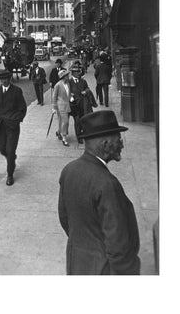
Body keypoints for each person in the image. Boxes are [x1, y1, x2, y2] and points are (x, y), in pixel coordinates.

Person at [58, 109, 140, 275]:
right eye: (118, 139)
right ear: (105, 144)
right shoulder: (107, 184)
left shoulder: (69, 170)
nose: (122, 144)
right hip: (103, 270)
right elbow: (118, 244)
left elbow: (65, 218)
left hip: (77, 264)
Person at [0, 68, 27, 186]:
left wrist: (16, 119)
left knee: (10, 150)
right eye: (2, 79)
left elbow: (22, 108)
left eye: (6, 79)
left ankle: (10, 174)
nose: (4, 81)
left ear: (9, 79)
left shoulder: (17, 91)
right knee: (2, 149)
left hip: (12, 127)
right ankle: (11, 157)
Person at [68, 61, 93, 144]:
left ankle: (83, 133)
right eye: (77, 72)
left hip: (83, 104)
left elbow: (88, 88)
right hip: (74, 105)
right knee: (77, 121)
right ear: (73, 73)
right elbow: (66, 92)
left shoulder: (83, 81)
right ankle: (79, 137)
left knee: (83, 120)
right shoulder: (69, 82)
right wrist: (70, 96)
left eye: (79, 71)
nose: (79, 73)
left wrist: (86, 91)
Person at [52, 68, 71, 146]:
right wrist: (54, 107)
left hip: (67, 105)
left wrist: (71, 97)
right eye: (67, 75)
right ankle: (64, 138)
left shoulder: (68, 83)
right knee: (65, 122)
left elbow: (68, 93)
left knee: (61, 121)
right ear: (64, 77)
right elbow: (54, 96)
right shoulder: (58, 85)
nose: (68, 76)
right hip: (60, 106)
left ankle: (59, 132)